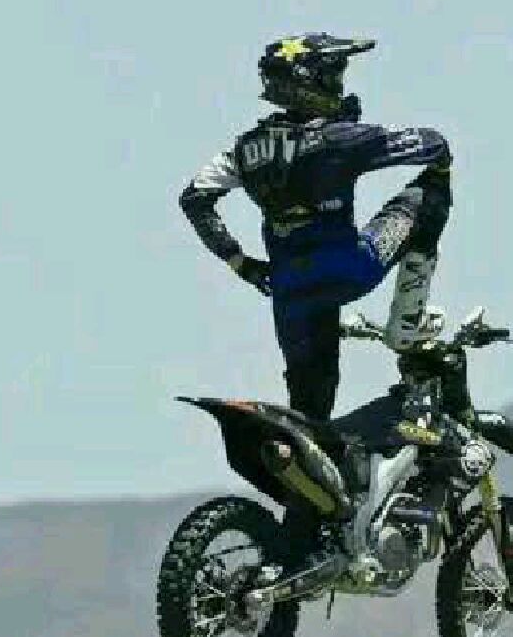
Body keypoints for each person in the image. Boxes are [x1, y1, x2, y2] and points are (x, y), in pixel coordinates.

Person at [178, 33, 453, 571]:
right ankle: (409, 320)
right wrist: (417, 153)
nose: (340, 86)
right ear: (310, 82)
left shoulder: (245, 147)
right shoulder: (340, 139)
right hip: (349, 269)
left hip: (288, 294)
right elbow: (432, 144)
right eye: (333, 76)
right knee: (429, 195)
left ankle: (300, 542)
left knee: (310, 415)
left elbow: (195, 198)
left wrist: (240, 263)